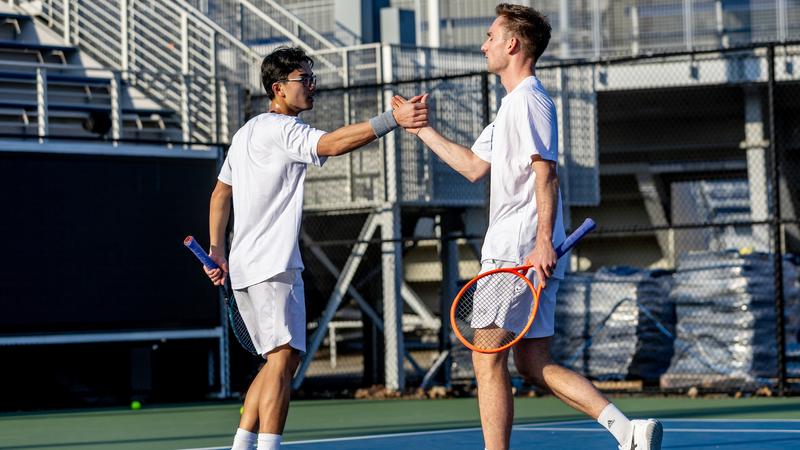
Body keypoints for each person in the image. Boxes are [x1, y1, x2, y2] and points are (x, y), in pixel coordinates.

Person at [393, 4, 662, 450]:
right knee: (533, 362)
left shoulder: (531, 101)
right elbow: (474, 167)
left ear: (512, 44)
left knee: (486, 359)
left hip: (517, 251)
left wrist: (540, 244)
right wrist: (422, 130)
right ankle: (627, 431)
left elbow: (546, 173)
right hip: (525, 249)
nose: (484, 46)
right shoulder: (509, 109)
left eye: (491, 37)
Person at [203, 46, 428, 450]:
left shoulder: (245, 133)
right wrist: (392, 119)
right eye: (303, 80)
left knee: (278, 361)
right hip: (273, 266)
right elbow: (335, 143)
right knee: (281, 360)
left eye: (312, 78)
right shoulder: (282, 129)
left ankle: (242, 445)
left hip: (245, 267)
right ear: (278, 89)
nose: (312, 87)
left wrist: (217, 248)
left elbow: (220, 194)